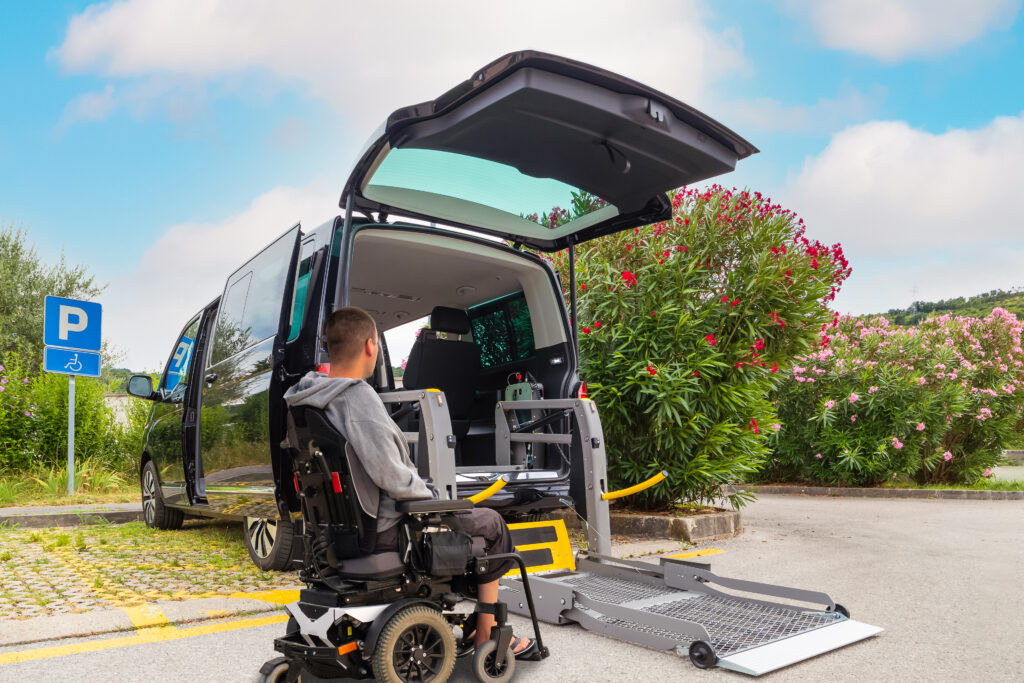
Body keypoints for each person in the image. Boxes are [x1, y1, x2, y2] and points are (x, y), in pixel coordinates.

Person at [283, 306, 540, 659]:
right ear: (371, 346)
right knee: (493, 526)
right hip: (386, 529)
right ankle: (486, 634)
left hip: (339, 531)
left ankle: (466, 623)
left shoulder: (308, 400)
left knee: (467, 523)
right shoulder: (356, 397)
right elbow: (389, 473)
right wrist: (432, 499)